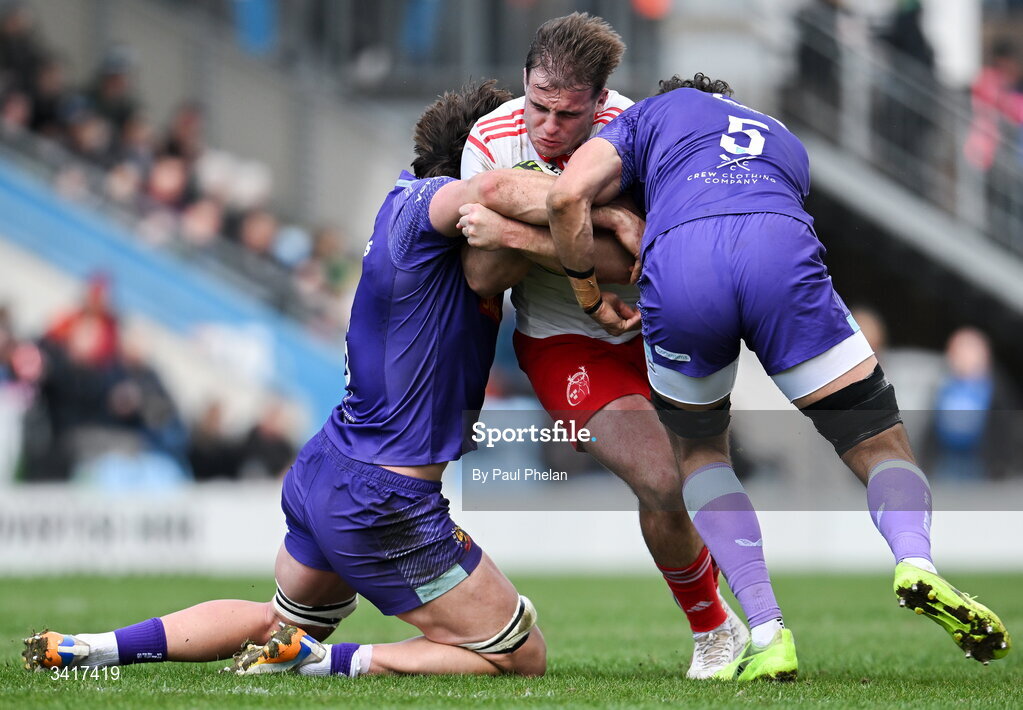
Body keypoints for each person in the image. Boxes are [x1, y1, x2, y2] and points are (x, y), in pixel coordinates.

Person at [23, 79, 642, 680]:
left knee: (278, 623)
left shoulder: (400, 205)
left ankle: (96, 647)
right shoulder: (439, 199)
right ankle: (327, 664)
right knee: (519, 652)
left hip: (328, 466)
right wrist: (595, 207)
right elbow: (496, 190)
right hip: (386, 500)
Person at [546, 74, 1012, 681]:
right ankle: (915, 560)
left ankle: (767, 630)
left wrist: (588, 293)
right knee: (878, 440)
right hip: (779, 248)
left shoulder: (652, 114)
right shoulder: (785, 138)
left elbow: (564, 200)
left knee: (701, 455)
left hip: (685, 258)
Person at [458, 13, 746, 679]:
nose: (547, 127)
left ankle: (752, 619)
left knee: (704, 482)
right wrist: (598, 213)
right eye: (537, 104)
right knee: (659, 478)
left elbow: (638, 259)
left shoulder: (634, 127)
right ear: (524, 83)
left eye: (567, 114)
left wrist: (542, 226)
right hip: (564, 340)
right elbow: (481, 266)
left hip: (658, 326)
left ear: (599, 101)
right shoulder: (491, 136)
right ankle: (711, 629)